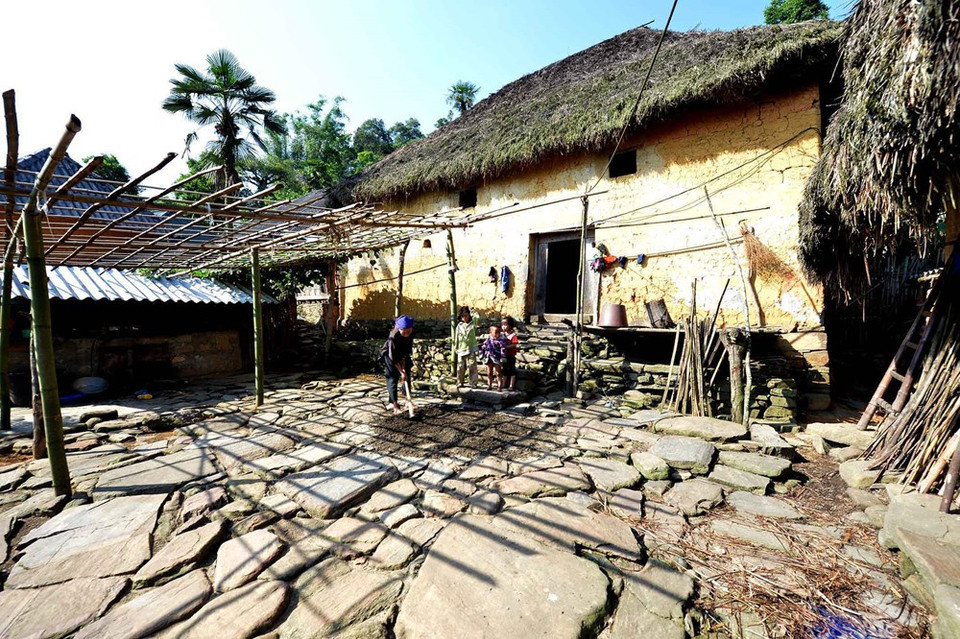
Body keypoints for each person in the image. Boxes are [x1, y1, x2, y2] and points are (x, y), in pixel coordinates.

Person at [381, 314, 415, 415]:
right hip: (390, 356)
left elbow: (407, 350)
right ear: (399, 329)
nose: (407, 333)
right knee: (392, 379)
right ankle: (395, 404)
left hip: (403, 354)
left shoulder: (411, 332)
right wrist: (401, 371)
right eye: (404, 332)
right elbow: (393, 358)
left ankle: (408, 400)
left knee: (407, 376)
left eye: (409, 331)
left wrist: (404, 369)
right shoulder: (393, 337)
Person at [454, 306, 478, 387]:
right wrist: (456, 347)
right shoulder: (459, 326)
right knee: (460, 366)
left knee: (472, 366)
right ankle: (459, 382)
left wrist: (472, 310)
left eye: (466, 316)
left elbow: (477, 316)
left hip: (471, 348)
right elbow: (456, 337)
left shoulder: (473, 324)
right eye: (462, 316)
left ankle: (473, 382)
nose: (464, 318)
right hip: (461, 349)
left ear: (469, 315)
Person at [479, 325, 506, 390]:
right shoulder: (488, 339)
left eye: (499, 332)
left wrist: (503, 357)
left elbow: (503, 349)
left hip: (497, 358)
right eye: (496, 332)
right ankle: (489, 385)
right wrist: (481, 354)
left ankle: (499, 386)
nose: (498, 334)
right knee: (489, 372)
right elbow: (483, 347)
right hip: (489, 357)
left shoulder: (501, 340)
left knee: (498, 372)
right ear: (490, 332)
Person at [500, 316, 519, 391]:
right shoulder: (502, 335)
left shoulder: (513, 335)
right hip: (504, 356)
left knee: (512, 370)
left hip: (511, 355)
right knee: (504, 369)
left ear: (510, 325)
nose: (503, 326)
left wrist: (506, 347)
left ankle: (511, 385)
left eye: (505, 324)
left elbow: (514, 344)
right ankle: (504, 384)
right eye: (502, 325)